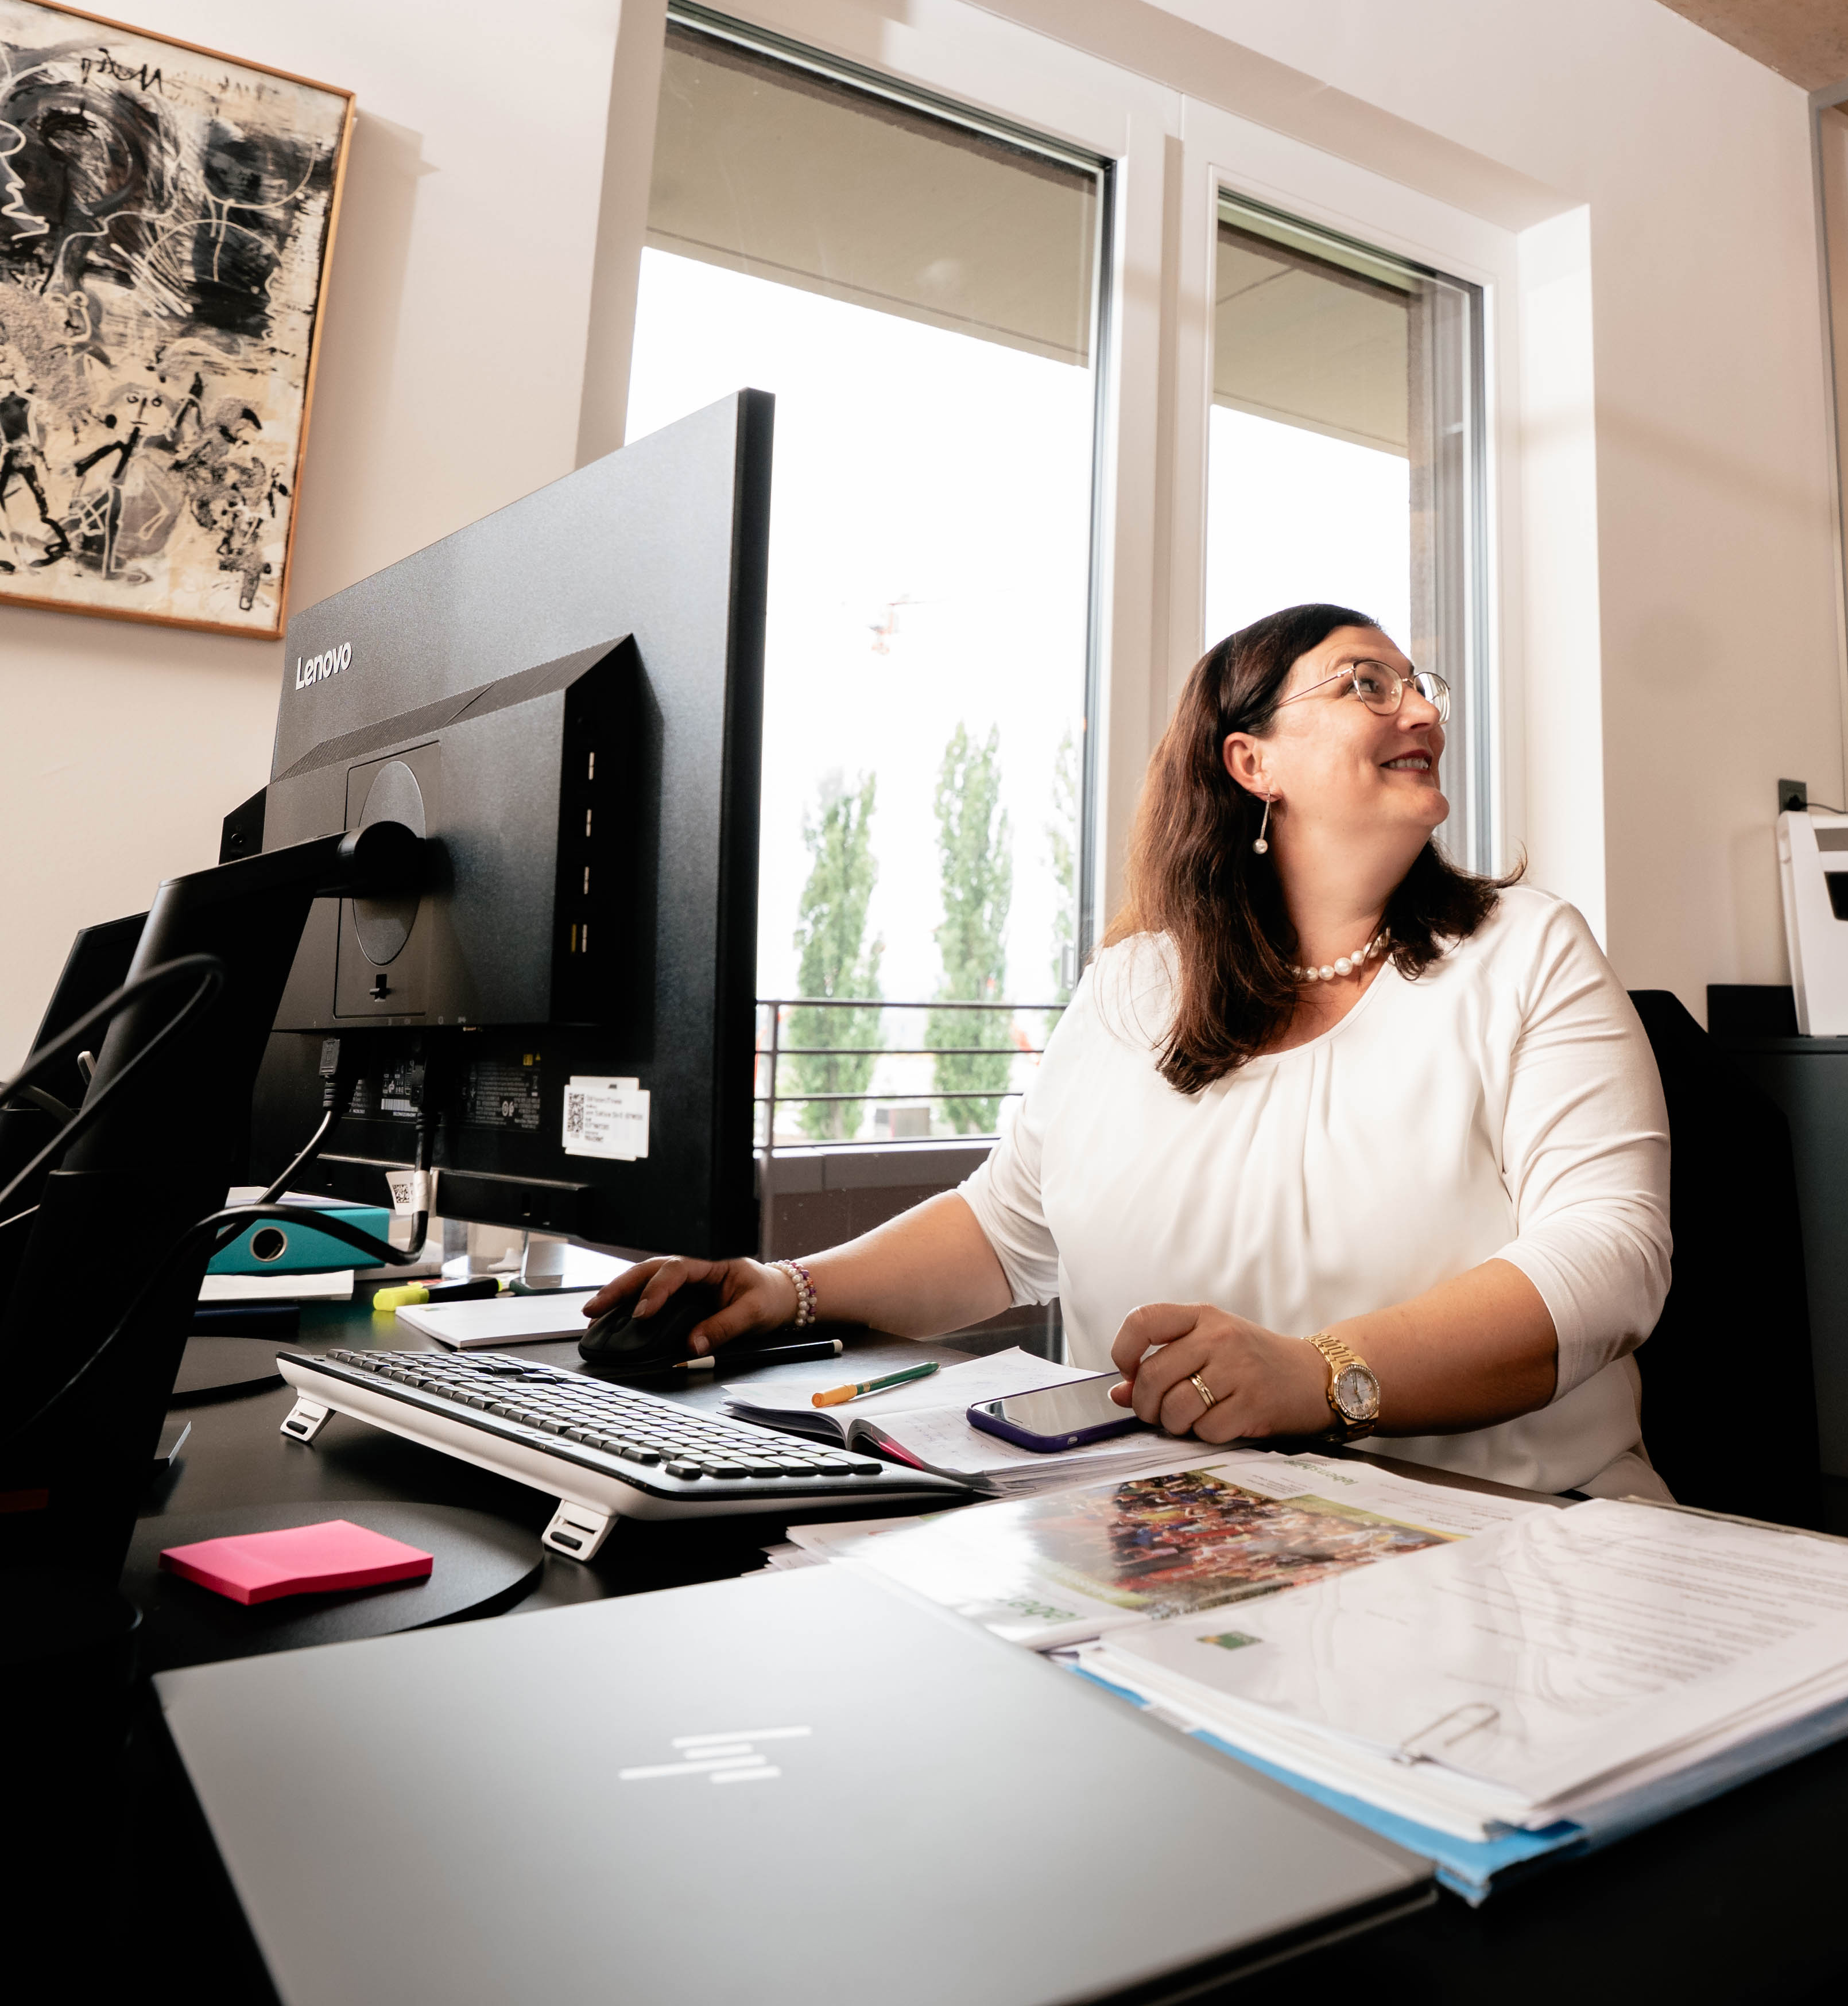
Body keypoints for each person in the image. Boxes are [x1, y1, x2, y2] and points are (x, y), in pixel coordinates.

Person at [587, 603, 1673, 1496]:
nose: (1423, 708)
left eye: (1420, 684)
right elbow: (1005, 1228)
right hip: (1180, 1537)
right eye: (1365, 684)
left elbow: (1610, 1254)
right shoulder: (1131, 989)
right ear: (1251, 761)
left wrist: (1320, 1375)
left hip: (1513, 1532)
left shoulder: (1526, 950)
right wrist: (785, 1291)